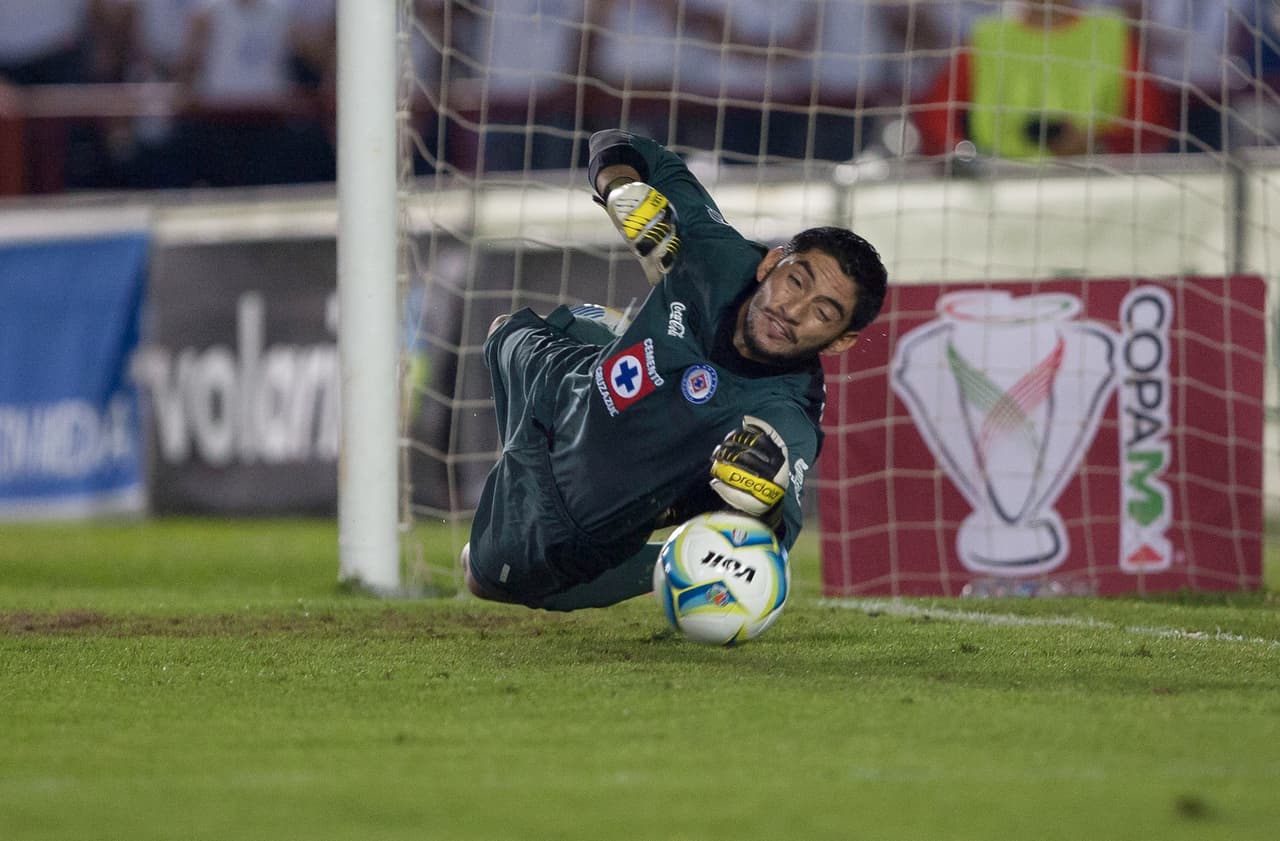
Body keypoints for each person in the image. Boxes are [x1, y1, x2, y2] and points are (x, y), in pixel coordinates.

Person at [462, 128, 888, 611]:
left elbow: (773, 545)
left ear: (841, 341)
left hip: (575, 507)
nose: (793, 310)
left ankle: (665, 558)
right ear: (771, 264)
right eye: (796, 281)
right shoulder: (714, 253)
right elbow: (619, 144)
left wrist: (763, 504)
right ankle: (619, 338)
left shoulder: (783, 414)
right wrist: (623, 191)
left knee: (481, 577)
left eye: (824, 312)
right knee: (503, 331)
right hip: (565, 383)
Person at [912, 0, 1171, 160]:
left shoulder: (1112, 33)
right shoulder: (986, 37)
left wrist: (1098, 145)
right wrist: (966, 156)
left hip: (1094, 184)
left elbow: (1150, 120)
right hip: (1003, 188)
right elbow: (935, 118)